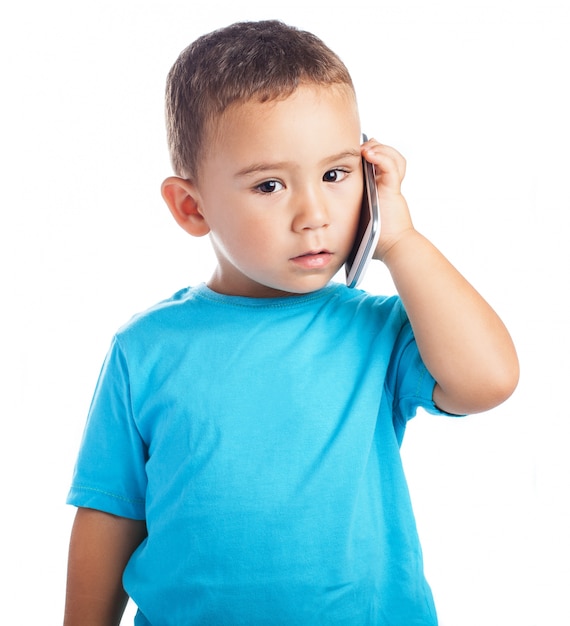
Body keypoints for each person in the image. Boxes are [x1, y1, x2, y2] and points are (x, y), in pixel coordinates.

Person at [63, 20, 519, 626]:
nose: (314, 215)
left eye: (336, 175)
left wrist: (401, 240)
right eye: (270, 184)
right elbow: (112, 511)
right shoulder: (145, 347)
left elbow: (487, 381)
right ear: (191, 207)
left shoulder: (376, 331)